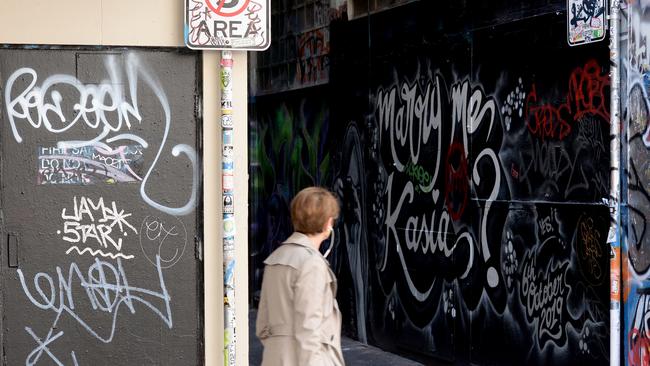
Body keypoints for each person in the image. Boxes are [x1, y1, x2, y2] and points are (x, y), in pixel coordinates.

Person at [256, 187, 345, 366]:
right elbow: (309, 329)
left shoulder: (276, 258)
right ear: (328, 223)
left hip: (275, 357)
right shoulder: (311, 263)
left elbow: (262, 326)